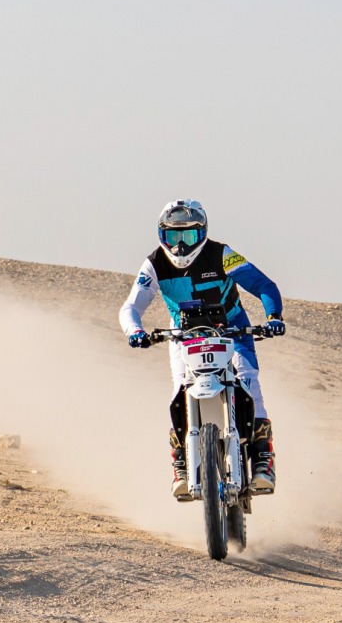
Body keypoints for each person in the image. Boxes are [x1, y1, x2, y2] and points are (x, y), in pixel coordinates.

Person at [119, 199, 285, 498]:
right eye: (173, 236)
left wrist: (273, 317)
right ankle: (181, 464)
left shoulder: (222, 254)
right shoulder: (154, 263)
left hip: (232, 327)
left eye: (188, 235)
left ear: (203, 233)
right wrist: (135, 331)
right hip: (184, 336)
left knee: (249, 381)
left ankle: (263, 460)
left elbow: (263, 285)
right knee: (180, 389)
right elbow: (131, 306)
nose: (180, 245)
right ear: (162, 235)